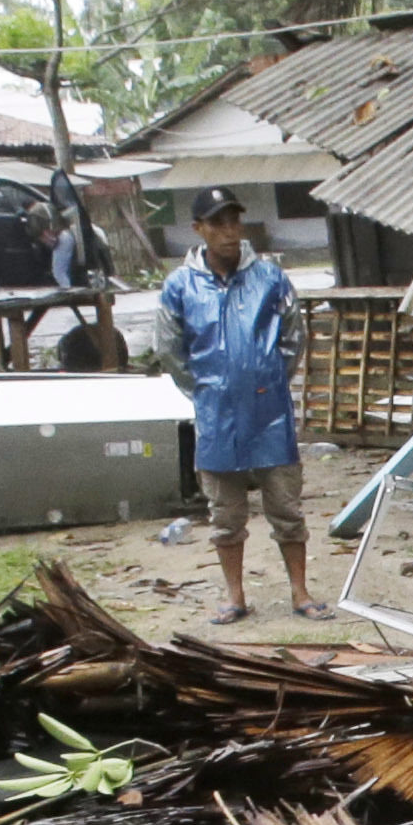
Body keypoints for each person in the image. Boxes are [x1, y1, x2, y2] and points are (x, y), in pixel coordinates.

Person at [158, 196, 319, 621]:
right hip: (215, 417)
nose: (229, 231)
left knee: (286, 507)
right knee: (225, 513)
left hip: (271, 414)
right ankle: (234, 595)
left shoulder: (269, 277)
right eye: (218, 223)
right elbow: (171, 351)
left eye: (234, 222)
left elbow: (293, 337)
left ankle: (301, 592)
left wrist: (267, 380)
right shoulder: (180, 286)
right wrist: (207, 392)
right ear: (199, 229)